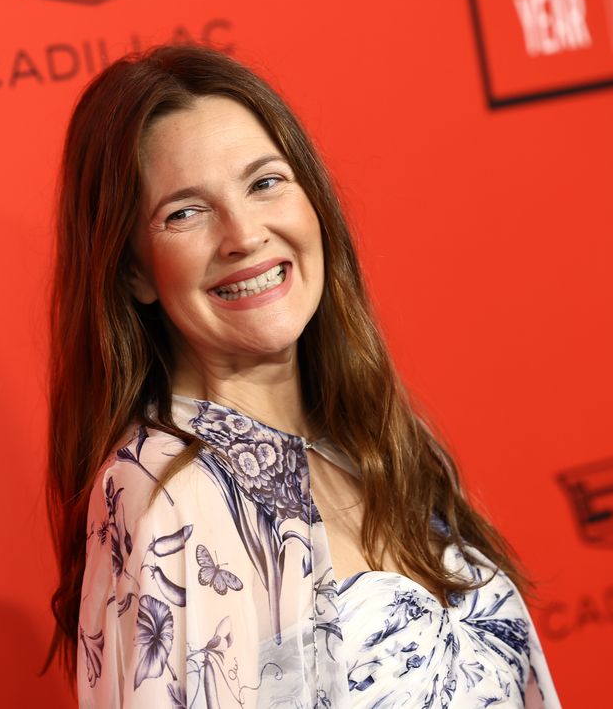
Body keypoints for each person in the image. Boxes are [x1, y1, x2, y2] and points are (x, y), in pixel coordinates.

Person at [45, 45, 561, 708]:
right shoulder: (169, 492)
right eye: (185, 212)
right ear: (134, 271)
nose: (244, 235)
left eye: (265, 182)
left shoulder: (378, 439)